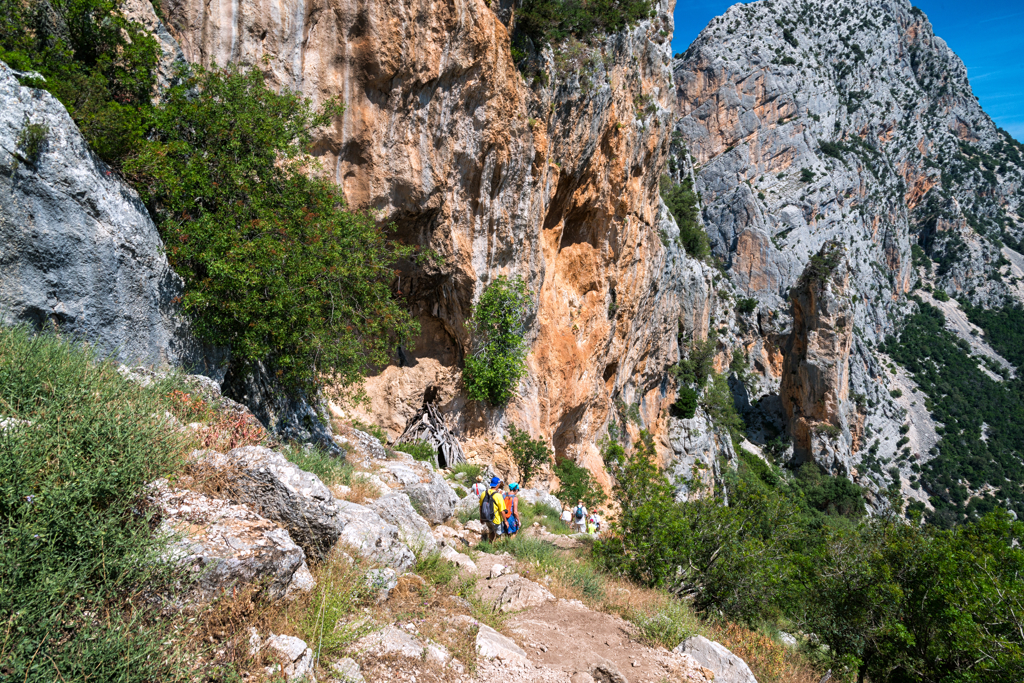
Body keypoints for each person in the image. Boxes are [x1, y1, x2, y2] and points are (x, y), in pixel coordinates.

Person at [479, 476, 506, 543]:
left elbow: (481, 507)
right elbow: (502, 511)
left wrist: (481, 518)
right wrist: (505, 521)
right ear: (497, 485)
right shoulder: (498, 496)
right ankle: (496, 550)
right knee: (498, 535)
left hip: (487, 518)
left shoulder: (484, 493)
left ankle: (489, 545)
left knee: (491, 532)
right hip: (496, 520)